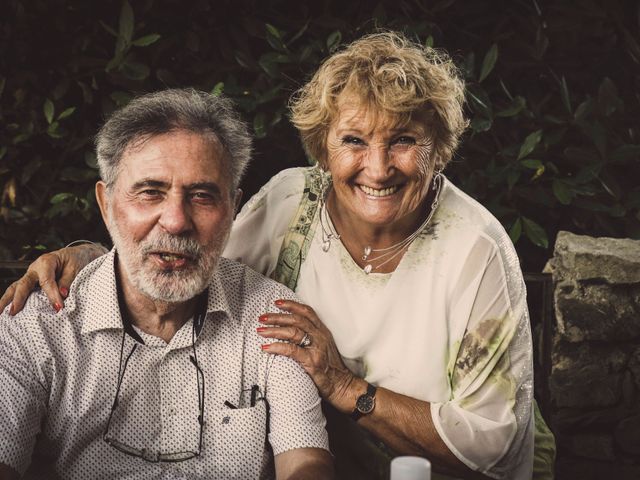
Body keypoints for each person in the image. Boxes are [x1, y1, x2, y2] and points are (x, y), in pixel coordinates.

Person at [1, 32, 555, 479]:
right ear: (323, 148)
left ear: (440, 147)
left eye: (404, 139)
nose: (379, 167)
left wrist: (342, 386)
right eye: (355, 141)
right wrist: (94, 254)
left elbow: (494, 446)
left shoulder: (473, 250)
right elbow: (185, 254)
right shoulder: (294, 202)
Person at [0, 89, 333, 480]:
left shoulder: (272, 314)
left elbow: (306, 461)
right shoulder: (35, 324)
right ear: (106, 205)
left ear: (232, 208)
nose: (176, 221)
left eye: (202, 195)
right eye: (150, 192)